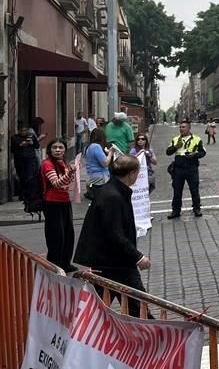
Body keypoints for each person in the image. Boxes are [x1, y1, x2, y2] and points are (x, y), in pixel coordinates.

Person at [74, 154, 153, 318]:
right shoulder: (113, 196)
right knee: (138, 306)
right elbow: (114, 233)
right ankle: (155, 338)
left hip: (108, 261)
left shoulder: (112, 190)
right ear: (131, 173)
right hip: (115, 262)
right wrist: (137, 257)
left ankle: (86, 334)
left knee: (99, 308)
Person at [41, 139, 76, 273]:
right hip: (52, 203)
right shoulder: (47, 164)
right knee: (56, 236)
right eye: (54, 147)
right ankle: (55, 264)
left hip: (65, 201)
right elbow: (56, 183)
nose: (58, 150)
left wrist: (70, 173)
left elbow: (68, 182)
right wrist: (70, 173)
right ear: (50, 150)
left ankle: (65, 263)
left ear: (65, 150)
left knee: (68, 235)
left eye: (61, 147)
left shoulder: (64, 164)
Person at [165, 120, 206, 219]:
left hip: (191, 167)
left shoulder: (196, 139)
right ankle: (176, 210)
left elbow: (203, 152)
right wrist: (176, 147)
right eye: (180, 127)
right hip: (179, 168)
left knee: (194, 189)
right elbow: (168, 152)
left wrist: (194, 155)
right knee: (177, 190)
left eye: (184, 127)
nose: (181, 129)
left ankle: (196, 208)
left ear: (189, 128)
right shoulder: (175, 139)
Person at [84, 127, 115, 201]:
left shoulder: (90, 147)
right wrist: (110, 153)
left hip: (93, 176)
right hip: (100, 177)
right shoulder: (96, 147)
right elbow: (105, 163)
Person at [11, 122, 40, 200]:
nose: (24, 132)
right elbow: (12, 149)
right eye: (22, 131)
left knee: (30, 176)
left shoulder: (31, 136)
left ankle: (29, 194)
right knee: (22, 176)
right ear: (19, 131)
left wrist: (32, 143)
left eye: (25, 130)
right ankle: (22, 194)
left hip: (30, 159)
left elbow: (37, 146)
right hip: (19, 159)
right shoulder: (15, 138)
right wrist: (20, 145)